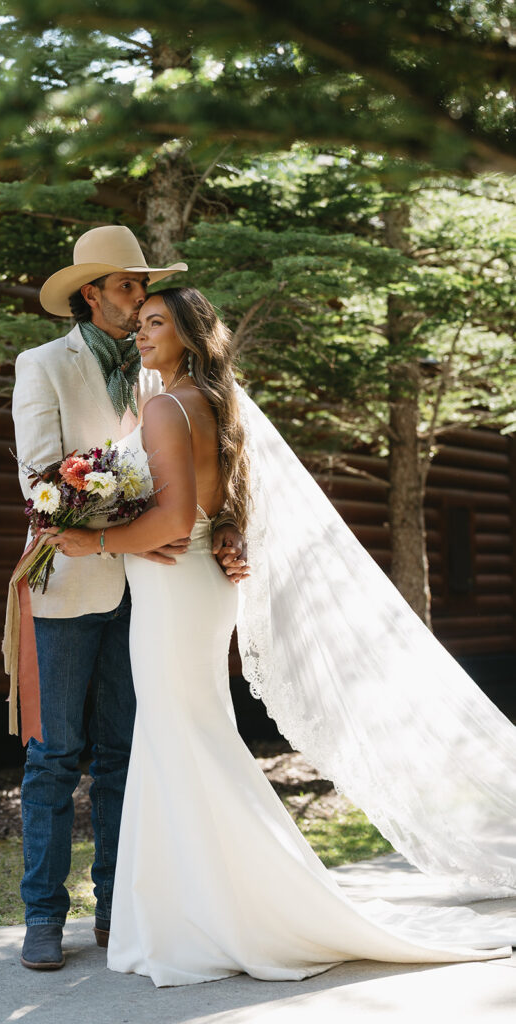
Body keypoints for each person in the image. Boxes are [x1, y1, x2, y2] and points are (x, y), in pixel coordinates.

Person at [46, 286, 516, 986]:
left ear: (188, 337)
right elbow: (213, 505)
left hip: (176, 588)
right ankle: (191, 911)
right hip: (190, 586)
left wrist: (93, 540)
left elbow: (173, 524)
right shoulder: (206, 404)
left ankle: (238, 914)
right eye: (138, 323)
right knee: (181, 739)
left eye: (155, 325)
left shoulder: (167, 406)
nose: (141, 335)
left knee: (184, 738)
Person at [10, 227, 248, 971]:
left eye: (144, 291)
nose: (139, 300)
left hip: (154, 592)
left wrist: (226, 528)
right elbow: (38, 481)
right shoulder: (43, 365)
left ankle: (118, 909)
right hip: (73, 578)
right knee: (54, 757)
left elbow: (205, 466)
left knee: (122, 753)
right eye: (125, 287)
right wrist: (129, 533)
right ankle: (44, 919)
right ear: (92, 292)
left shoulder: (160, 371)